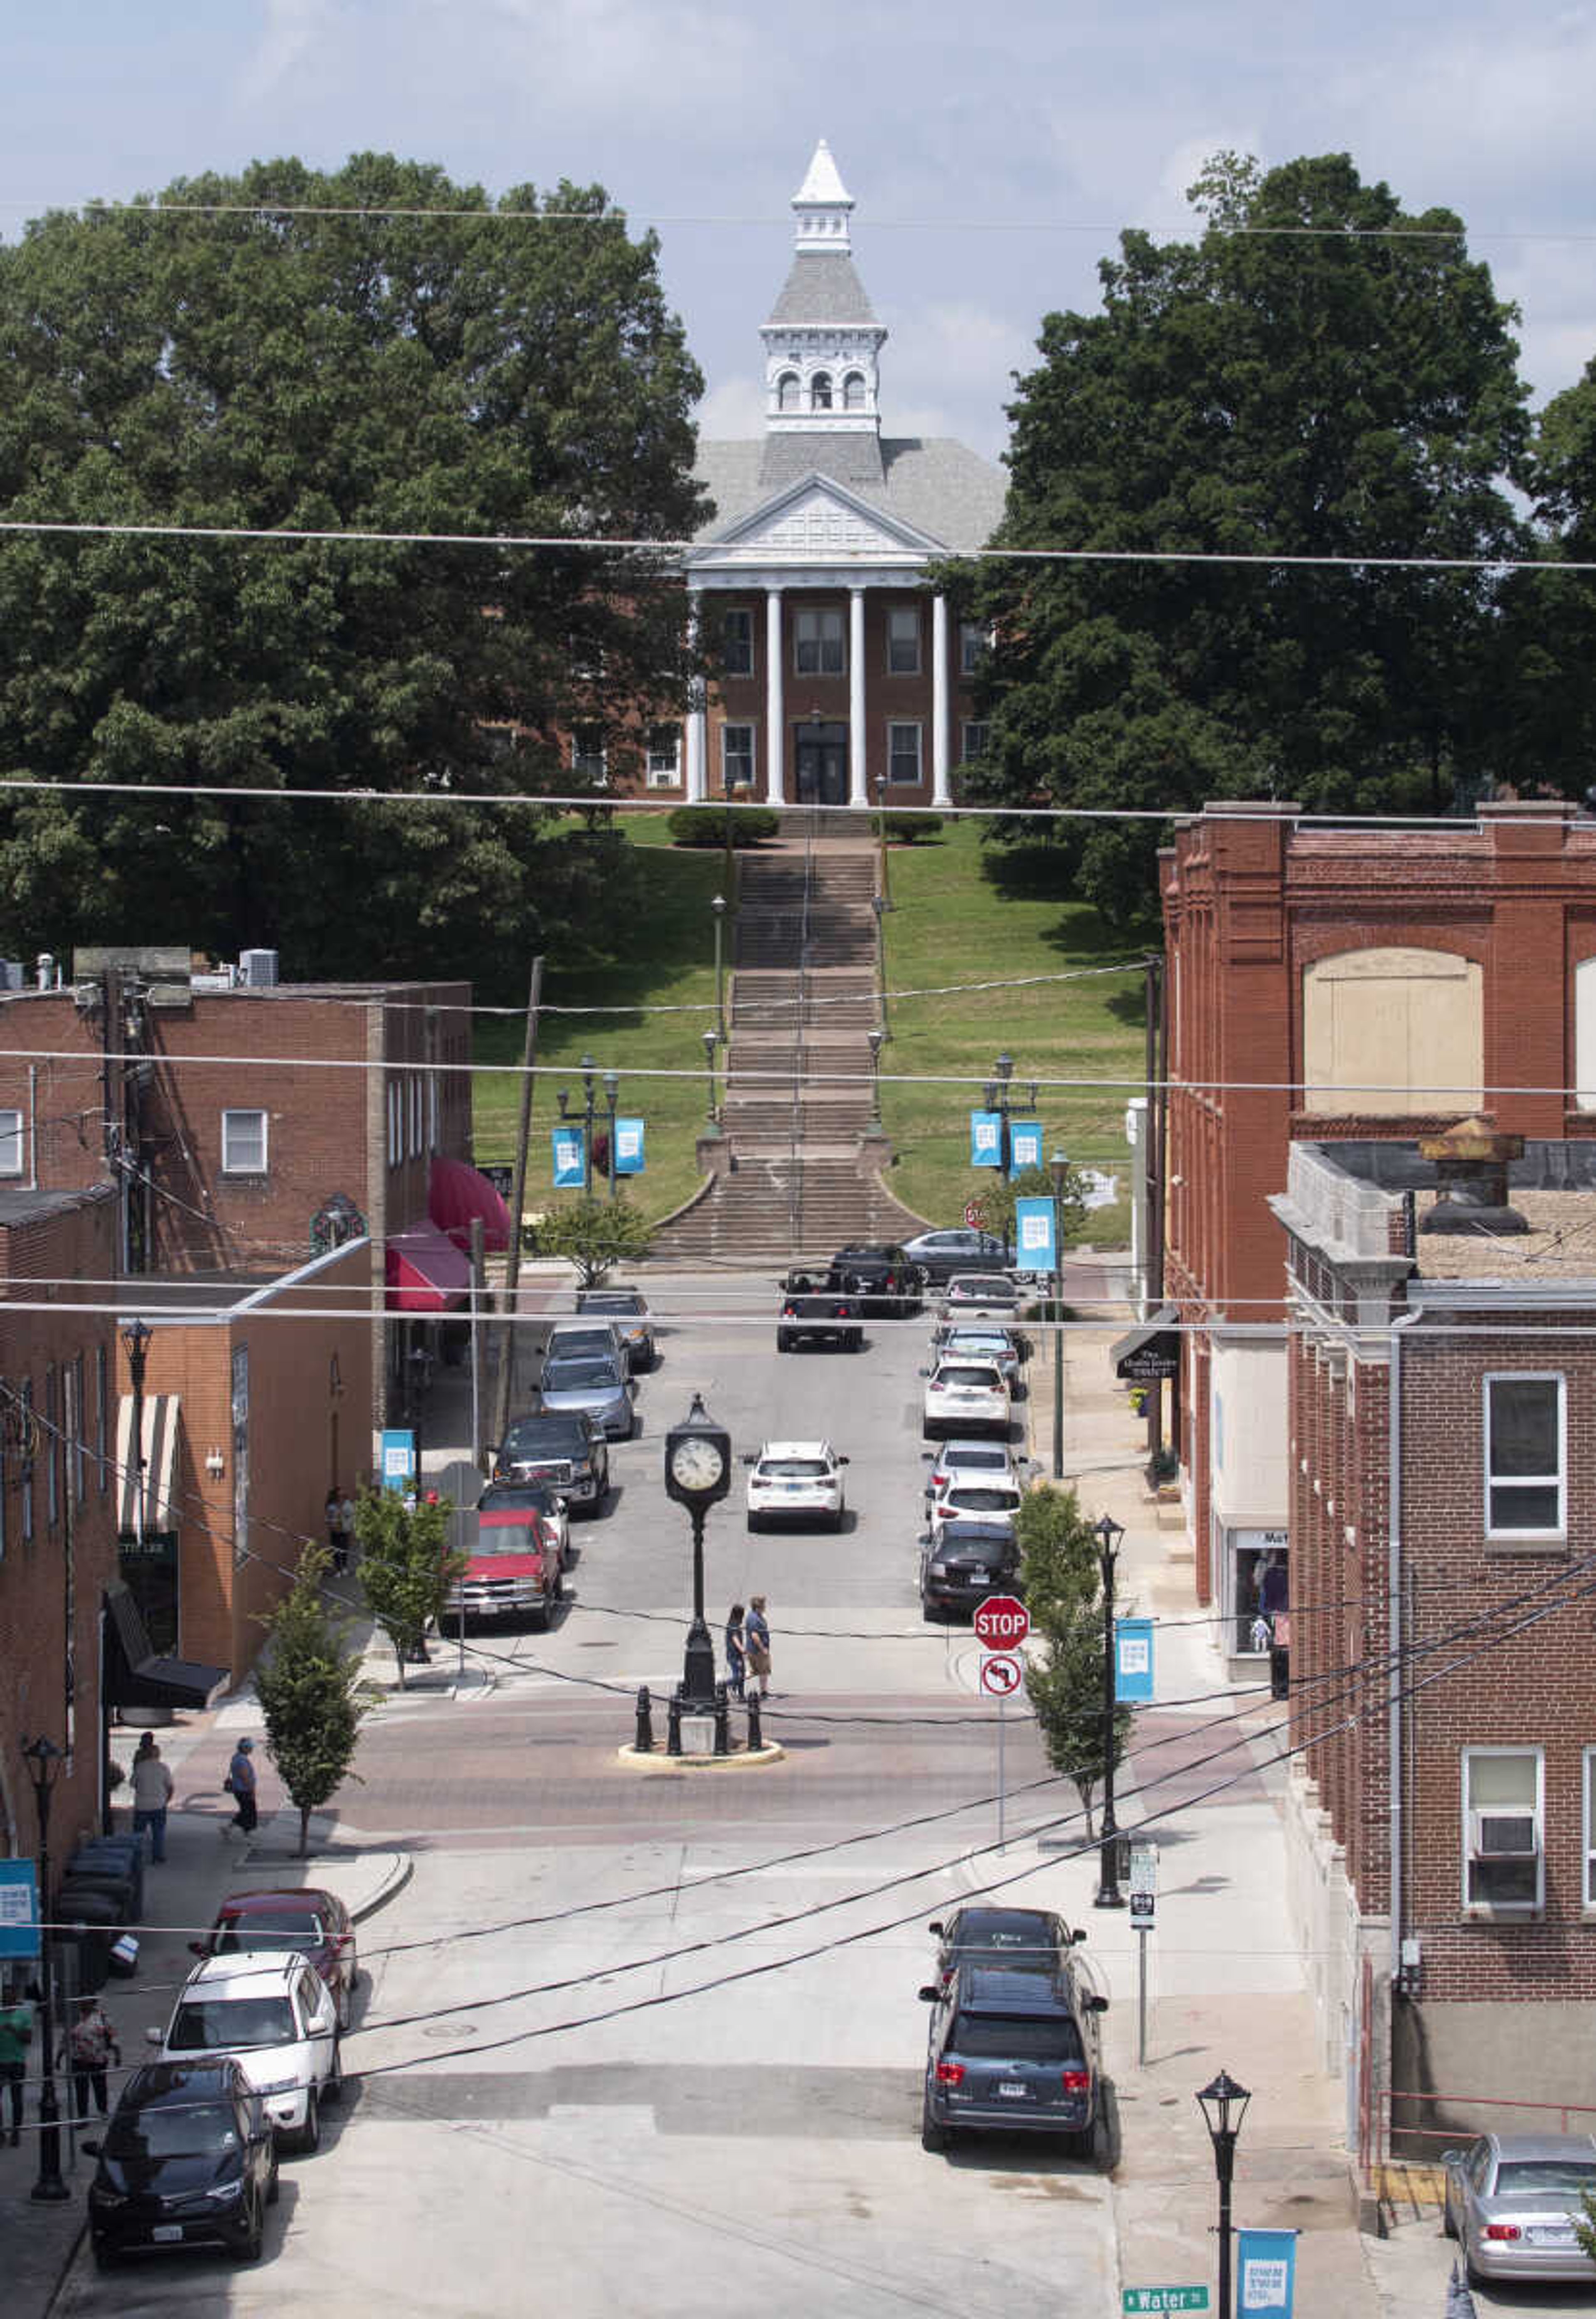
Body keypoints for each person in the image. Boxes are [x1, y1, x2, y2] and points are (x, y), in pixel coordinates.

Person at [66, 1995, 120, 2123]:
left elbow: (113, 2037)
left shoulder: (102, 2017)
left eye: (87, 2001)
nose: (84, 2004)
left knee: (100, 2088)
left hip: (98, 2060)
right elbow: (66, 2038)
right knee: (81, 2090)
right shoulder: (74, 2018)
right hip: (78, 2060)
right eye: (82, 2001)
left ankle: (103, 2112)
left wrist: (118, 2055)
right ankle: (83, 2118)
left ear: (93, 2002)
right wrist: (59, 2057)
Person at [130, 1732, 175, 1863]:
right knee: (158, 1833)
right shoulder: (164, 1768)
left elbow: (133, 1784)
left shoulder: (140, 1766)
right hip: (159, 1805)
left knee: (138, 1833)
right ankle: (158, 1856)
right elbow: (171, 1787)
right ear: (158, 1755)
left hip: (142, 1805)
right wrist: (166, 1800)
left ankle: (137, 1857)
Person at [0, 1979, 32, 2146]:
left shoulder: (23, 2014)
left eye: (9, 1997)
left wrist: (14, 2030)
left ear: (15, 1998)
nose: (6, 2000)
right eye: (3, 1997)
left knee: (16, 2099)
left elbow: (28, 2039)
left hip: (17, 2062)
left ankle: (16, 2132)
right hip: (0, 2062)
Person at [222, 1735, 259, 1838]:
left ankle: (241, 1831)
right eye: (250, 1747)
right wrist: (252, 1791)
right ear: (245, 1748)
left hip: (240, 1790)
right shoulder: (242, 1761)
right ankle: (230, 1829)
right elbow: (246, 1778)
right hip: (244, 1791)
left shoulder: (237, 1757)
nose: (252, 1749)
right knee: (247, 1811)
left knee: (246, 1811)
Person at [744, 1595, 772, 1700]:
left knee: (755, 1672)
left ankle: (734, 1682)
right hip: (757, 1651)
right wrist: (763, 1649)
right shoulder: (754, 1618)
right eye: (763, 1605)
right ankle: (764, 1693)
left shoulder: (758, 1616)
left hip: (756, 1650)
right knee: (763, 1672)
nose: (765, 1607)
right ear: (758, 1607)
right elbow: (755, 1636)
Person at [724, 1602, 746, 1699]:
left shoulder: (735, 1624)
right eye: (743, 1614)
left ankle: (741, 1695)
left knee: (741, 1674)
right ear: (739, 1615)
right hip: (734, 1655)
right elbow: (735, 1638)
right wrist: (742, 1650)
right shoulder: (733, 1624)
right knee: (738, 1676)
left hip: (738, 1655)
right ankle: (726, 1684)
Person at [337, 1487, 357, 1575]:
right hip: (342, 1530)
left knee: (343, 1549)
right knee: (341, 1549)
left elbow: (346, 1516)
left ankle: (343, 1568)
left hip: (344, 1530)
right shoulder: (345, 1505)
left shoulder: (347, 1506)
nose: (340, 1498)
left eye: (341, 1496)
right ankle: (342, 1568)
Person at [325, 1488, 342, 1565]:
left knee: (336, 1548)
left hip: (335, 1528)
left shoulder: (332, 1506)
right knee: (337, 1548)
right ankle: (339, 1567)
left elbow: (330, 1518)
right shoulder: (334, 1506)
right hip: (336, 1528)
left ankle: (338, 1567)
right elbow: (332, 1518)